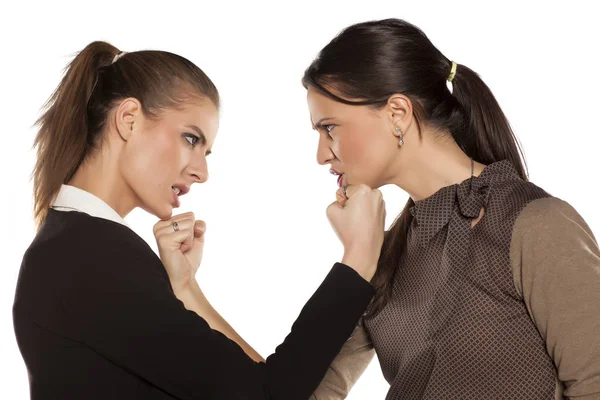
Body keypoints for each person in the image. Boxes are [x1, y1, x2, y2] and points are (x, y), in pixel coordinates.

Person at [12, 41, 387, 400]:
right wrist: (358, 259)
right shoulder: (94, 255)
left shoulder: (71, 243)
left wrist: (186, 289)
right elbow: (270, 395)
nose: (202, 172)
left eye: (206, 151)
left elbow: (259, 386)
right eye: (191, 139)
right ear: (128, 119)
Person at [306, 19, 600, 400]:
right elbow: (300, 388)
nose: (320, 154)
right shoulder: (384, 252)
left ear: (398, 113)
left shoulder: (535, 225)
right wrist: (355, 258)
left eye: (330, 128)